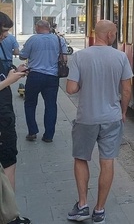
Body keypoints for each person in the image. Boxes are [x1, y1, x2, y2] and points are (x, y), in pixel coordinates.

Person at [66, 20, 133, 223]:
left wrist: (82, 86)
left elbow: (70, 89)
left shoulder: (79, 56)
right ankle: (100, 210)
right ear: (110, 35)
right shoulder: (121, 57)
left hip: (86, 117)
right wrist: (123, 112)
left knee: (80, 158)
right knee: (107, 162)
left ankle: (83, 205)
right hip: (111, 118)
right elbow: (127, 90)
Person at [0, 12, 31, 224]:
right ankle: (9, 216)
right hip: (1, 118)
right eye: (3, 31)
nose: (5, 36)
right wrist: (10, 80)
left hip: (5, 113)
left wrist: (14, 71)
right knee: (8, 159)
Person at [19, 20, 67, 143]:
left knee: (30, 104)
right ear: (48, 28)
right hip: (52, 77)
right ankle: (48, 136)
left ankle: (32, 131)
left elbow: (22, 56)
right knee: (51, 105)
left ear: (37, 28)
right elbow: (64, 58)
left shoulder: (32, 40)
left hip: (34, 76)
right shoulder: (58, 39)